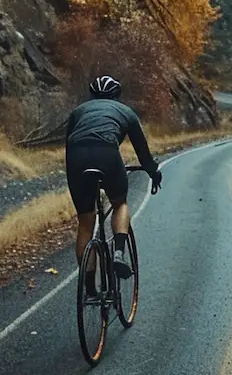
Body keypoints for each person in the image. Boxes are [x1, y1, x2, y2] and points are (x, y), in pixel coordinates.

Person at [65, 75, 162, 297]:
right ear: (117, 96)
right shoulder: (126, 112)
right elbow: (143, 154)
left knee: (85, 224)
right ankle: (118, 252)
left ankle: (89, 288)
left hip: (76, 158)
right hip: (107, 154)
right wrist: (153, 172)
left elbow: (69, 142)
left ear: (92, 95)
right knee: (120, 203)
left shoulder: (78, 112)